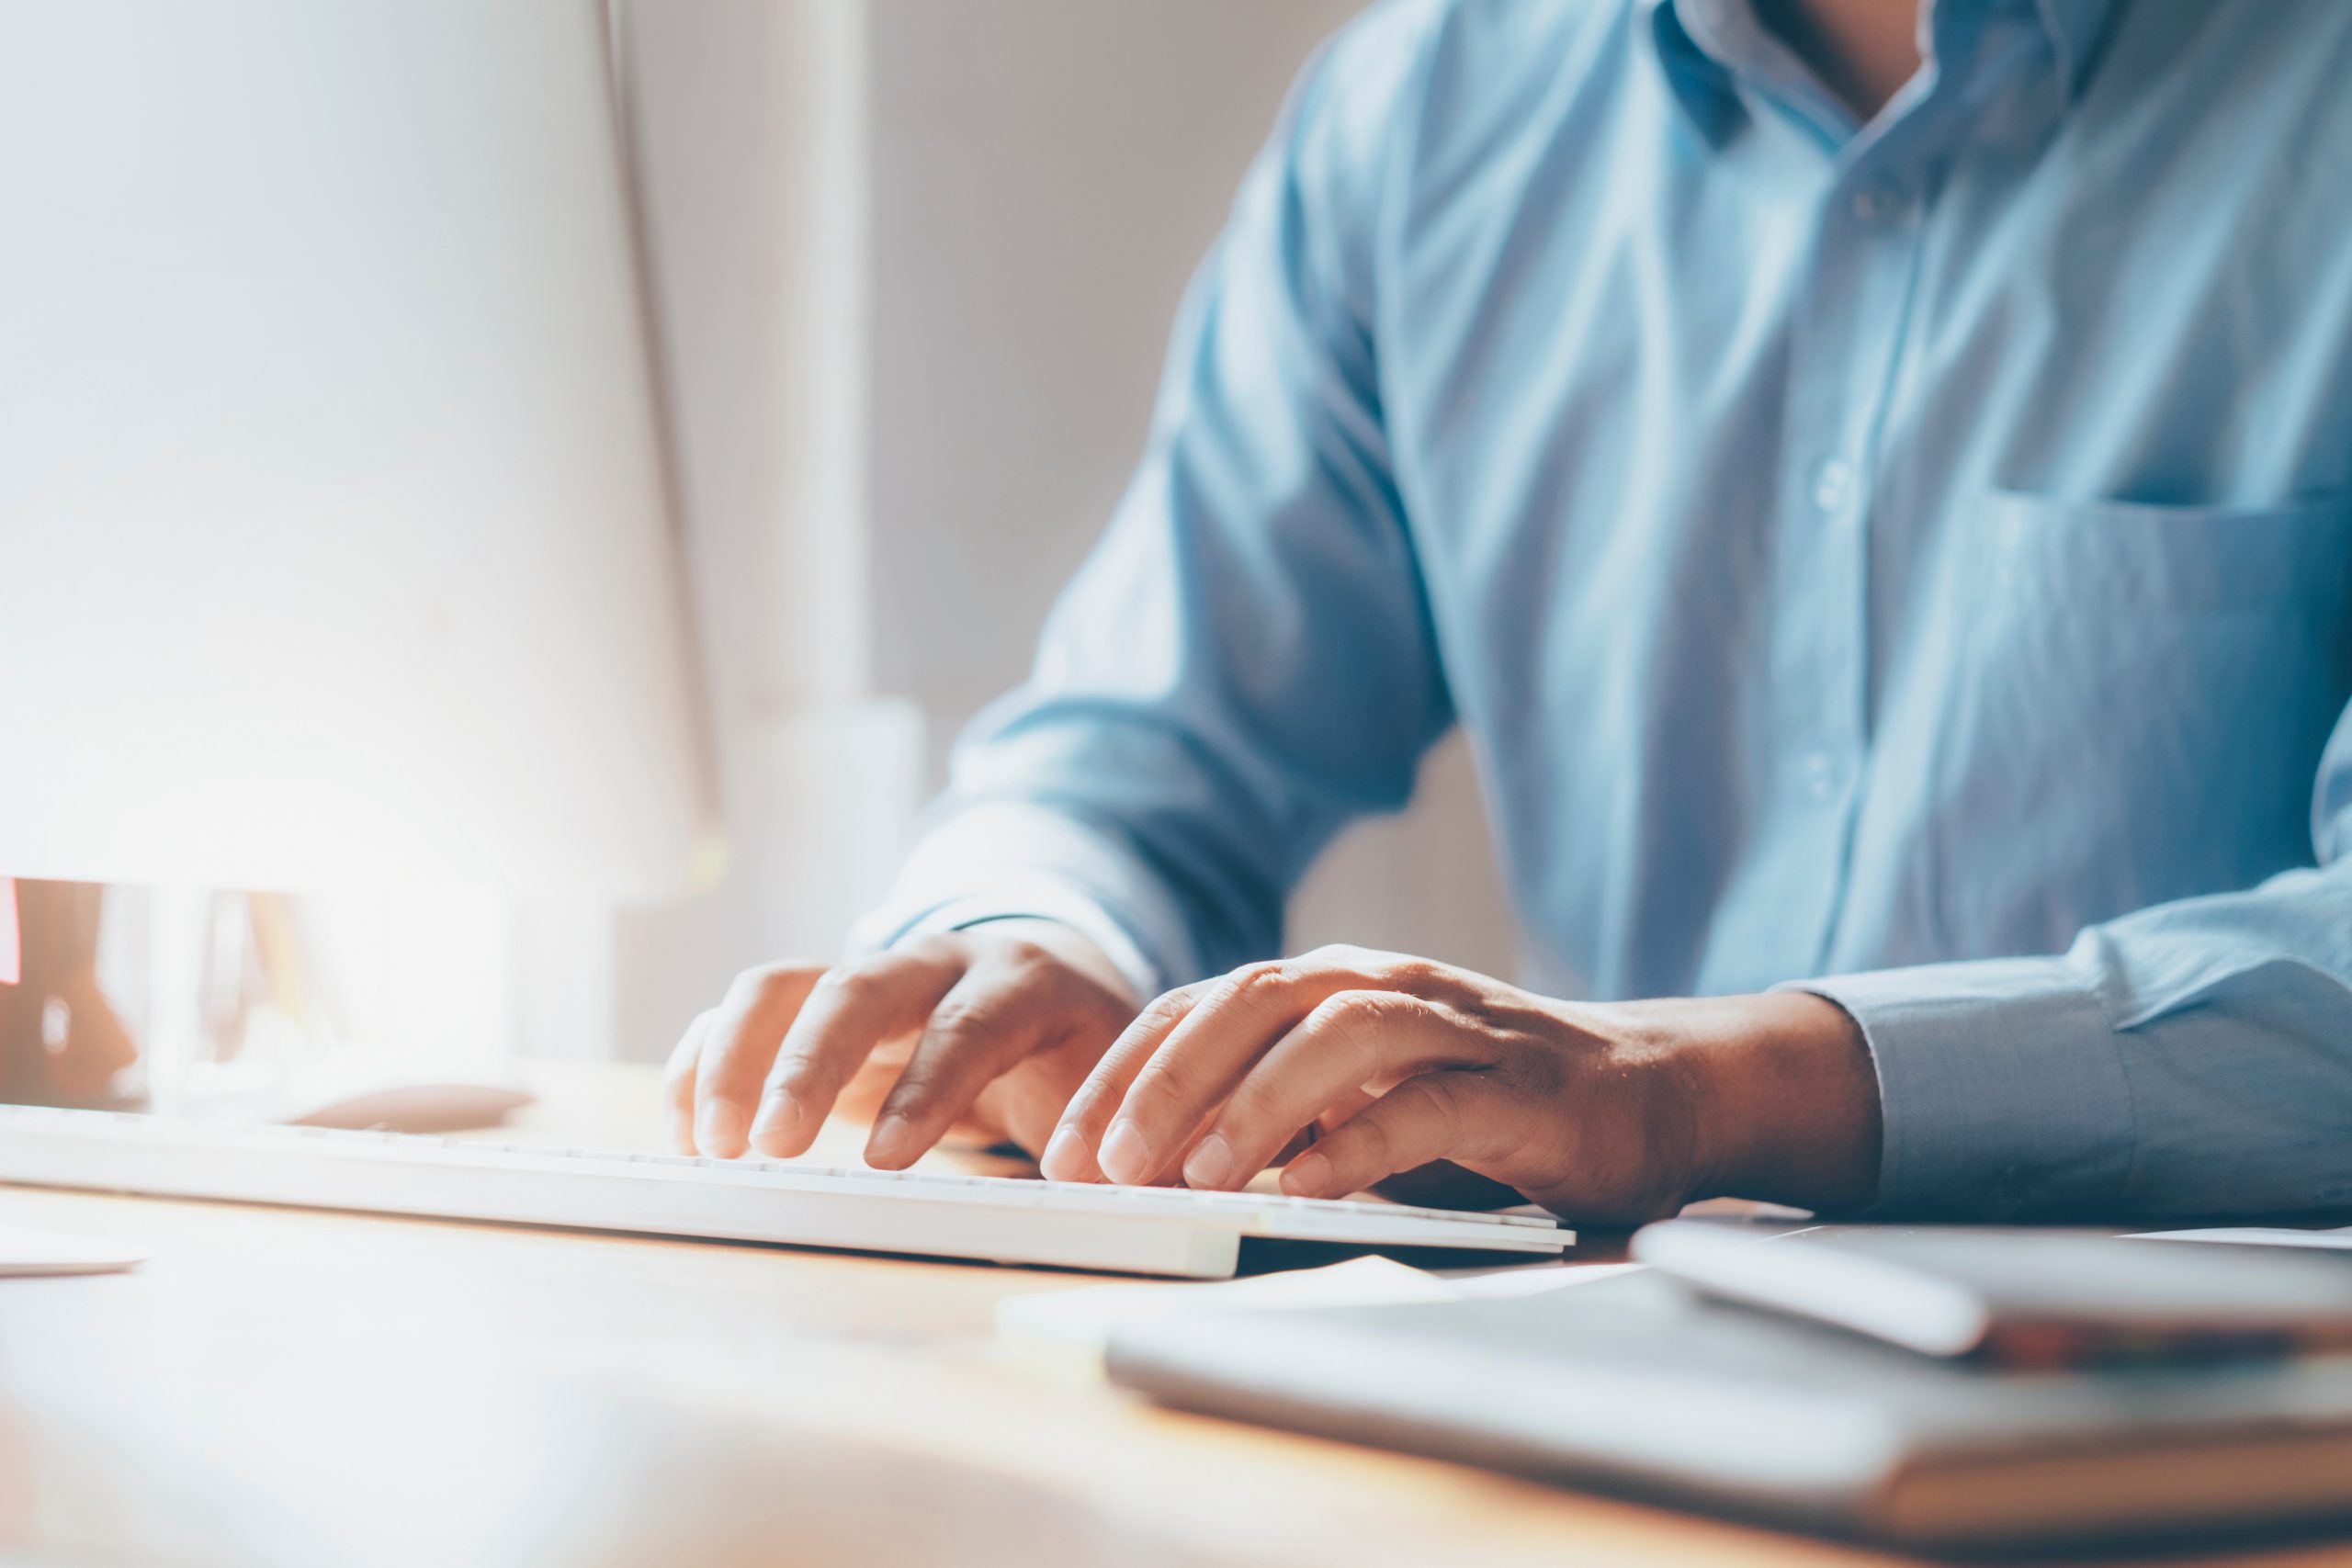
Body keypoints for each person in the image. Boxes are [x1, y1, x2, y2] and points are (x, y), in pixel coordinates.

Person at [667, 0, 2352, 1224]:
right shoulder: (1423, 117)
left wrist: (1704, 1092)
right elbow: (1140, 754)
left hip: (2224, 1441)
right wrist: (1032, 937)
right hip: (1612, 1372)